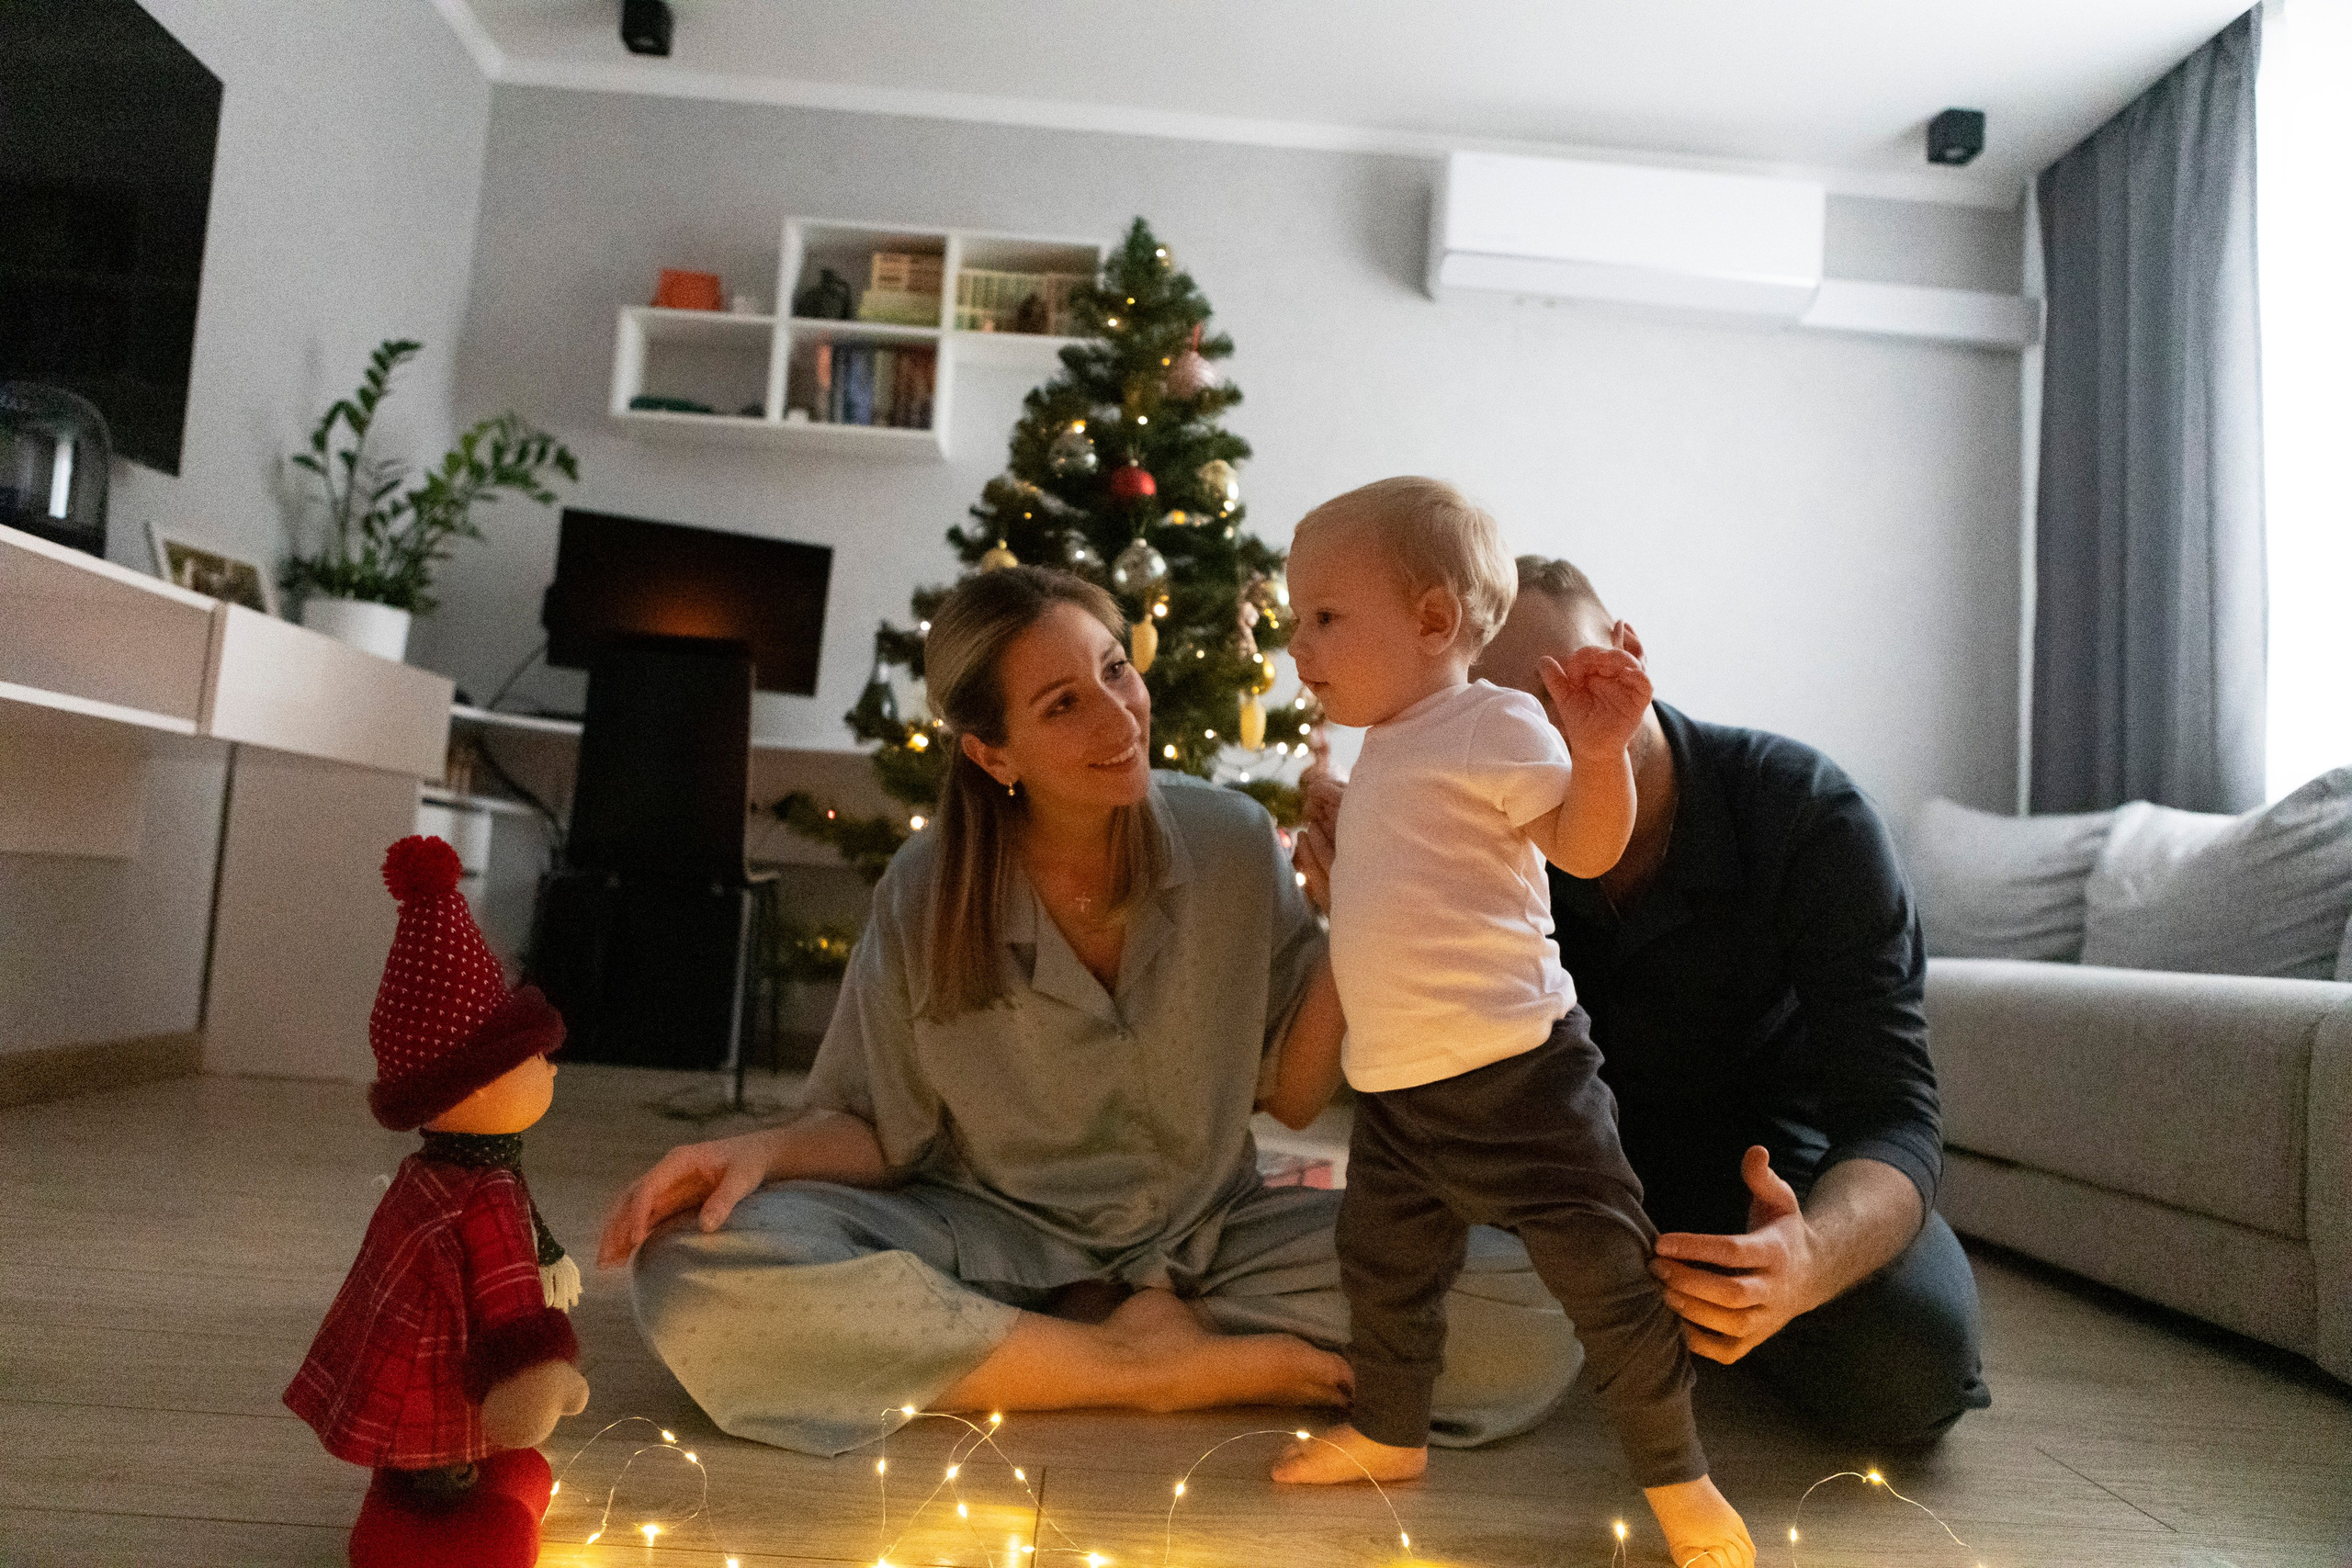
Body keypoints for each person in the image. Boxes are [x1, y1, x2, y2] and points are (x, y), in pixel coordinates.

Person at [597, 566, 1584, 1459]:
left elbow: (1293, 1094)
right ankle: (1132, 1364)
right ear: (992, 752)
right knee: (692, 1272)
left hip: (1213, 1238)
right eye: (1063, 704)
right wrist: (761, 1149)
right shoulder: (925, 889)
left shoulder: (1231, 842)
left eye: (1116, 670)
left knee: (1540, 1308)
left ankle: (1063, 1345)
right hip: (986, 1241)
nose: (1119, 718)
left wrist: (1355, 911)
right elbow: (884, 1130)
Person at [1295, 554, 1992, 1450]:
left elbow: (1895, 1112)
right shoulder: (1473, 823)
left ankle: (1690, 1313)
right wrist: (1365, 911)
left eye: (1559, 690)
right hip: (1546, 1172)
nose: (1540, 737)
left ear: (1629, 653)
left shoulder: (1807, 816)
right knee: (1371, 1280)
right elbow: (1407, 1083)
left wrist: (1809, 1256)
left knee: (1912, 1363)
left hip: (1765, 1175)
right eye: (1492, 714)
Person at [1268, 479, 1753, 1568]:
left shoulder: (1492, 721)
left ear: (1434, 620)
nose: (1299, 643)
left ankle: (1678, 1479)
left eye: (1324, 617)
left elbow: (1583, 847)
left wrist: (1598, 756)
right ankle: (1389, 1433)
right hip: (1397, 1091)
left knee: (1605, 1279)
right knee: (1384, 1271)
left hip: (1520, 1081)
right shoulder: (1388, 742)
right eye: (1297, 619)